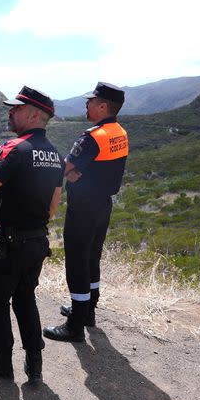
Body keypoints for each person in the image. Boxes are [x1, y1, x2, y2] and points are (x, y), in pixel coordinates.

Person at [0, 86, 63, 383]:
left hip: (9, 243)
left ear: (34, 114)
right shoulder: (55, 155)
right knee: (25, 299)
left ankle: (1, 362)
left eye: (17, 108)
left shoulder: (15, 148)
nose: (10, 111)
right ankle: (34, 365)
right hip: (37, 241)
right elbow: (53, 207)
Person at [43, 82, 128, 342]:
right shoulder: (120, 132)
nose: (86, 105)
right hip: (103, 204)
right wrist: (75, 171)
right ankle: (88, 310)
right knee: (92, 257)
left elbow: (64, 167)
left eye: (91, 101)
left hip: (83, 207)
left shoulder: (92, 136)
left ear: (103, 106)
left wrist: (70, 172)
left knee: (77, 261)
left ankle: (75, 325)